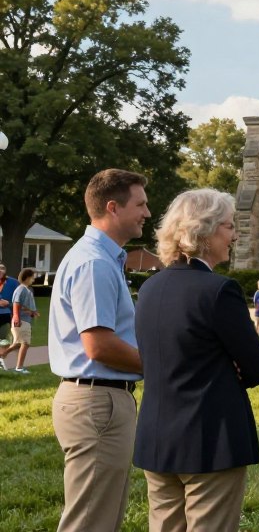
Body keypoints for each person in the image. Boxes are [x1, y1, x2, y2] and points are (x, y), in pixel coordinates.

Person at [133, 189, 259, 531]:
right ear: (205, 231)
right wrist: (230, 367)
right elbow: (256, 367)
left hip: (156, 437)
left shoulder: (150, 288)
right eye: (229, 226)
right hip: (211, 440)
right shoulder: (219, 290)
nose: (234, 235)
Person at [49, 169, 148, 532]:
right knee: (90, 521)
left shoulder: (103, 258)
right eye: (140, 204)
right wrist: (162, 366)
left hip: (101, 400)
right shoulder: (94, 263)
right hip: (98, 402)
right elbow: (99, 345)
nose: (147, 213)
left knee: (102, 517)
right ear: (113, 207)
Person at [0, 268, 40, 373]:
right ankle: (19, 367)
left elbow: (22, 305)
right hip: (21, 320)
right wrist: (17, 316)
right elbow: (16, 304)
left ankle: (4, 356)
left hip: (25, 319)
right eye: (32, 277)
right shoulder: (21, 289)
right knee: (24, 343)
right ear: (27, 277)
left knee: (19, 343)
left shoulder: (26, 289)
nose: (34, 279)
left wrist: (32, 312)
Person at [0, 262, 17, 346]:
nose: (1, 270)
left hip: (9, 310)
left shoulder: (13, 282)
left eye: (2, 269)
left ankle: (13, 342)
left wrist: (9, 304)